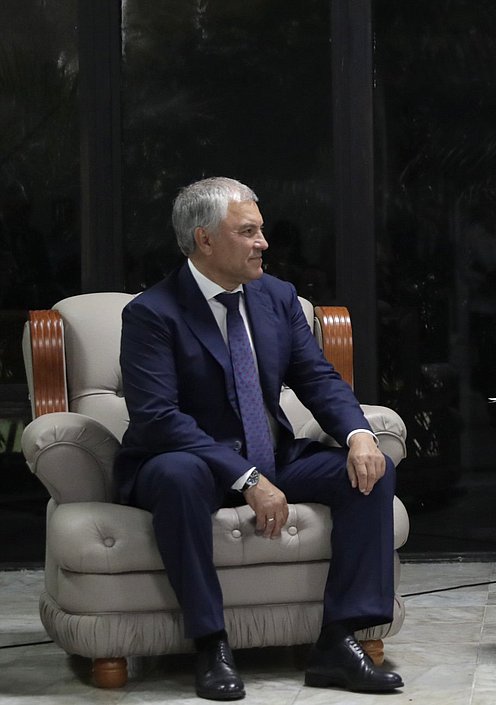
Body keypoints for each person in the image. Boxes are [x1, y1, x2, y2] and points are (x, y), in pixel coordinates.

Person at [115, 177, 403, 700]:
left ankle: (339, 640)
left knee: (371, 470)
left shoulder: (276, 298)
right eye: (247, 232)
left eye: (261, 230)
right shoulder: (152, 313)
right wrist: (245, 477)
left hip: (270, 454)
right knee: (177, 476)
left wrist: (359, 433)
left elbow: (317, 378)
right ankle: (211, 644)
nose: (263, 243)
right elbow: (158, 418)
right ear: (204, 240)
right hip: (188, 461)